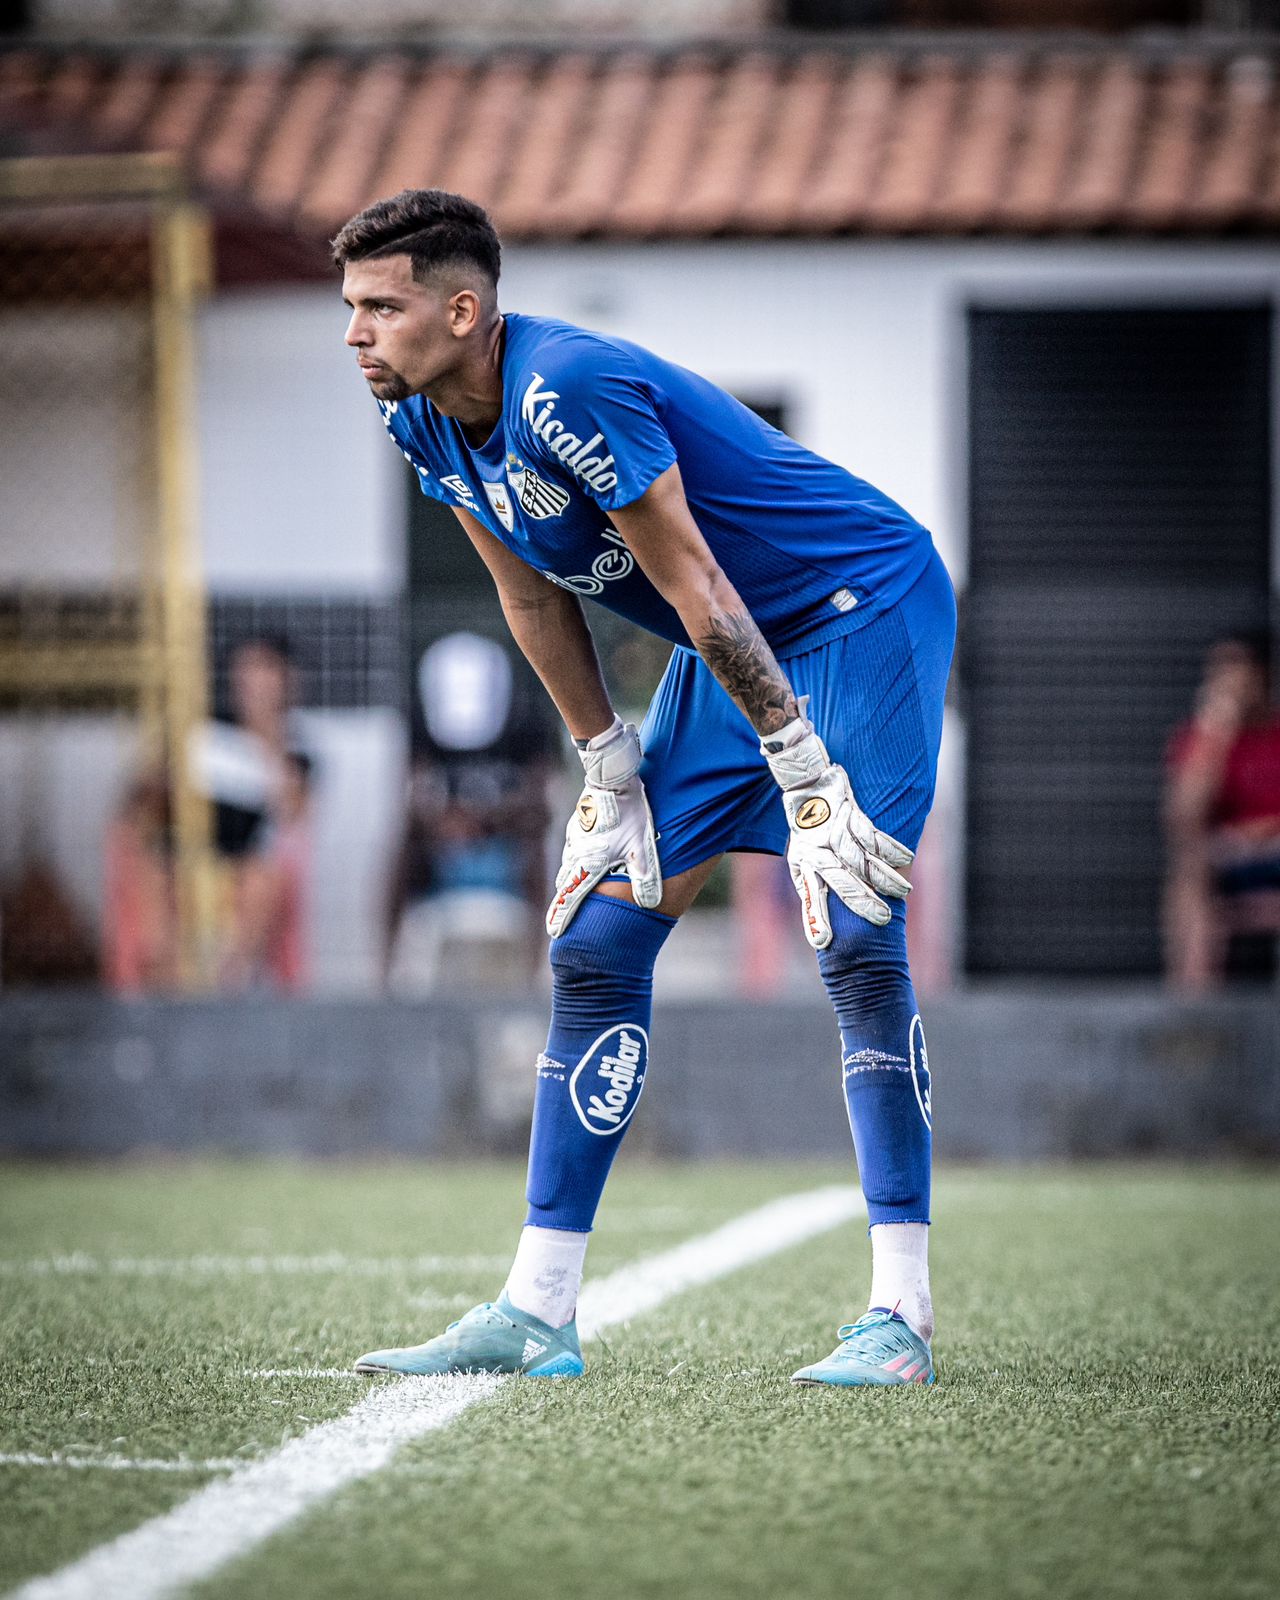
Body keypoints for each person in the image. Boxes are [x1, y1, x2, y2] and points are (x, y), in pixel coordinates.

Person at [336, 190, 955, 1388]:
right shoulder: (417, 415)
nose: (355, 333)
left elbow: (696, 583)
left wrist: (802, 770)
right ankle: (536, 1311)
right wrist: (605, 761)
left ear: (460, 313)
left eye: (379, 307)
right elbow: (527, 592)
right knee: (595, 938)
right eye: (349, 307)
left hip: (855, 606)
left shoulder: (565, 388)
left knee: (853, 923)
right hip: (726, 640)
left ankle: (900, 1313)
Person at [1164, 632, 1280, 988]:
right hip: (1231, 858)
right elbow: (1183, 819)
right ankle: (1195, 998)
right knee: (1190, 867)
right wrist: (1214, 738)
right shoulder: (1200, 739)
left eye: (1239, 671)